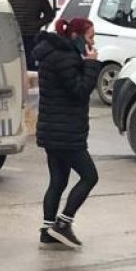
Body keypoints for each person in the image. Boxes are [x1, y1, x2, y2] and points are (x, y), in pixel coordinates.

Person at [33, 17, 101, 249]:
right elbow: (80, 90)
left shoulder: (53, 53)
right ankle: (63, 223)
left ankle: (47, 230)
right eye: (90, 37)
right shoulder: (66, 57)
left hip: (53, 130)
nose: (93, 42)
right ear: (77, 36)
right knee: (90, 176)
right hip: (66, 132)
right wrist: (92, 64)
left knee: (58, 180)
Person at [9, 0, 56, 71]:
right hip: (17, 35)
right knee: (19, 60)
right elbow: (8, 15)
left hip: (33, 35)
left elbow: (50, 14)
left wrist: (38, 24)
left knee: (32, 59)